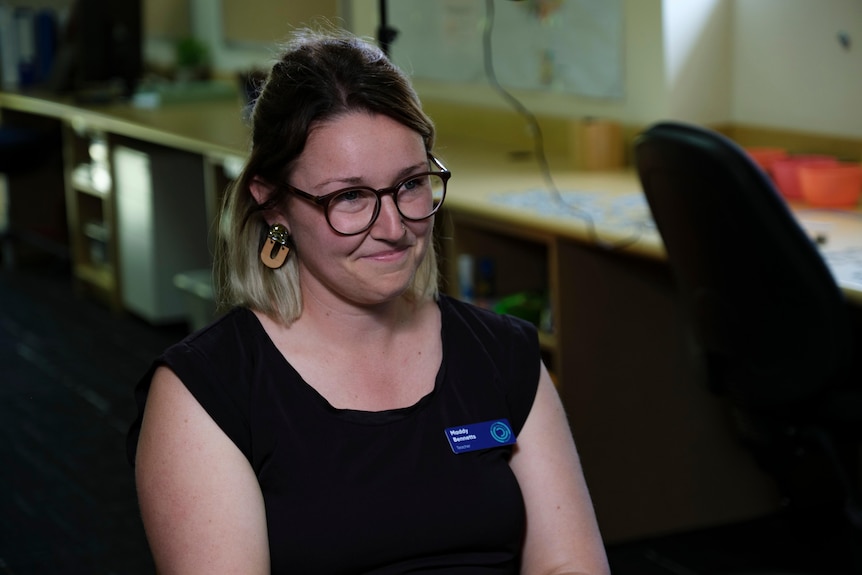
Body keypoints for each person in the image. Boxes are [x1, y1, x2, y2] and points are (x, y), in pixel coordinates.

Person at [127, 27, 610, 575]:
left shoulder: (504, 356)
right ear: (272, 203)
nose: (394, 226)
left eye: (410, 184)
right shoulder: (208, 392)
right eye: (350, 196)